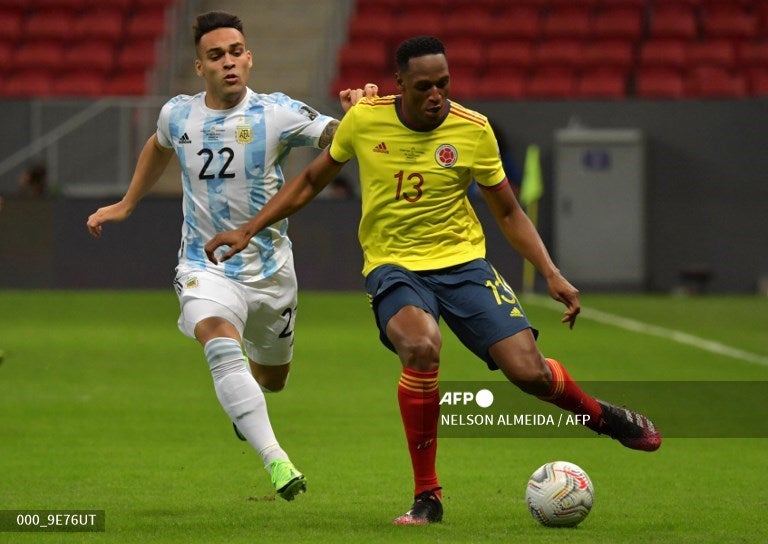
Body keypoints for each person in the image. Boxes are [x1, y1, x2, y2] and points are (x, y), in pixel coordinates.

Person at [203, 36, 662, 523]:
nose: (436, 94)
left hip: (464, 265)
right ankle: (429, 496)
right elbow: (312, 181)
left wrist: (550, 271)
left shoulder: (474, 130)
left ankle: (601, 416)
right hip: (394, 267)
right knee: (421, 347)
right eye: (423, 86)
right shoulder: (365, 119)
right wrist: (251, 228)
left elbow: (507, 211)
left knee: (528, 374)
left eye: (443, 83)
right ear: (400, 84)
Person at [86, 11, 372, 501]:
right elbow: (158, 147)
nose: (229, 63)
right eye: (216, 56)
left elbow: (337, 136)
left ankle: (249, 409)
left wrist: (362, 113)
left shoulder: (278, 113)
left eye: (236, 52)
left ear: (250, 57)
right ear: (200, 67)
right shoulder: (178, 113)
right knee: (218, 341)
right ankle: (277, 462)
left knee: (271, 380)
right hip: (204, 264)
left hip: (271, 272)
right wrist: (125, 204)